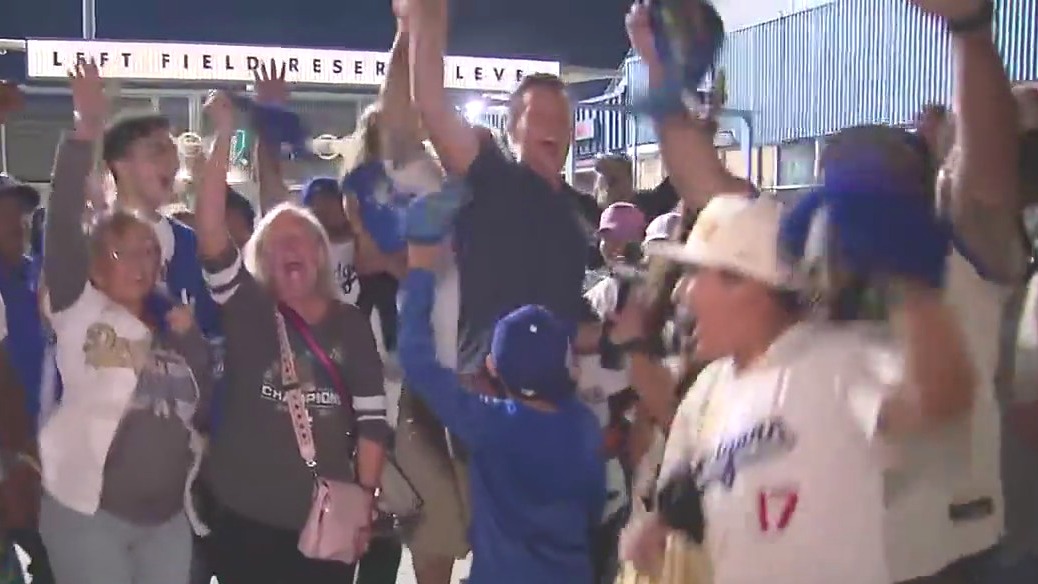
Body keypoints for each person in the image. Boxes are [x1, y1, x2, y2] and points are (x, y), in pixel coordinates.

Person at [616, 193, 975, 584]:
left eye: (700, 275)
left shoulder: (837, 360)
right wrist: (659, 526)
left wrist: (914, 288)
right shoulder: (708, 391)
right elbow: (686, 496)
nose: (681, 293)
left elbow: (944, 400)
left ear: (752, 286)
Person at [406, 0, 603, 578]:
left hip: (556, 406)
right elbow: (431, 107)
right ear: (512, 126)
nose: (555, 130)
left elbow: (573, 312)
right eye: (540, 117)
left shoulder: (578, 213)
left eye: (563, 120)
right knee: (498, 546)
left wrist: (617, 333)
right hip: (487, 393)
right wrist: (427, 20)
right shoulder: (492, 175)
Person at [195, 91, 391, 584]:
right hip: (243, 520)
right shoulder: (246, 307)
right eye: (277, 242)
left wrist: (363, 504)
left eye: (302, 238)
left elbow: (372, 425)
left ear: (323, 255)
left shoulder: (349, 325)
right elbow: (211, 231)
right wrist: (224, 136)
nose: (290, 247)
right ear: (261, 262)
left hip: (325, 522)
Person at [37, 60, 214, 584]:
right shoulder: (79, 307)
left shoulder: (172, 324)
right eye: (122, 254)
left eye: (147, 254)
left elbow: (199, 405)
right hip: (89, 515)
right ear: (94, 264)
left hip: (166, 521)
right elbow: (64, 220)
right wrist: (85, 130)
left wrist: (191, 338)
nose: (139, 263)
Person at [400, 238, 606, 584]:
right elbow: (594, 508)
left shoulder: (487, 421)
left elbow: (416, 359)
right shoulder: (584, 426)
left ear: (493, 367)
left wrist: (420, 274)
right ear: (567, 366)